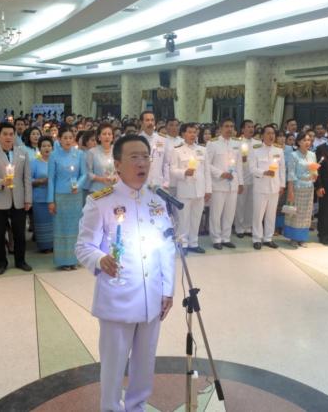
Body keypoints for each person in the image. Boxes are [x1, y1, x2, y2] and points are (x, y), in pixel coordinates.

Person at [75, 135, 175, 412]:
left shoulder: (157, 201)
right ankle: (111, 408)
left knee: (145, 362)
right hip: (117, 298)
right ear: (117, 164)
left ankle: (137, 406)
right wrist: (100, 259)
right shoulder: (101, 202)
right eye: (134, 157)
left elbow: (167, 248)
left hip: (152, 297)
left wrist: (168, 290)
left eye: (145, 157)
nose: (142, 163)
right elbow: (83, 246)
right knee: (114, 365)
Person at [0, 122, 33, 274]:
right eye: (5, 134)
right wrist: (2, 182)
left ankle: (20, 260)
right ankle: (1, 263)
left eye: (11, 134)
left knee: (19, 233)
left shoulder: (22, 153)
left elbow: (27, 178)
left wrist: (28, 199)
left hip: (18, 199)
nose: (8, 137)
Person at [47, 127, 86, 270]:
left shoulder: (79, 154)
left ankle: (75, 259)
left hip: (75, 196)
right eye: (65, 138)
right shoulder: (54, 155)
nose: (68, 140)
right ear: (59, 139)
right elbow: (51, 179)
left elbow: (84, 174)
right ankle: (63, 260)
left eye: (70, 137)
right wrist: (50, 200)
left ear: (74, 139)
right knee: (61, 228)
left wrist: (78, 185)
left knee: (76, 227)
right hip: (60, 196)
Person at [170, 123, 211, 253]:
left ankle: (194, 243)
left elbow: (207, 171)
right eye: (189, 132)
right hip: (185, 189)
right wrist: (184, 172)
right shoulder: (177, 150)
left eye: (194, 132)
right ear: (183, 134)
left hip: (199, 190)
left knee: (196, 218)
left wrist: (208, 190)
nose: (193, 135)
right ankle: (183, 244)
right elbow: (172, 170)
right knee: (183, 219)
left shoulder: (202, 150)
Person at [206, 118, 243, 249]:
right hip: (218, 184)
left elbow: (239, 165)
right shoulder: (213, 143)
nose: (229, 129)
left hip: (233, 184)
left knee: (229, 213)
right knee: (216, 214)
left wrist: (241, 182)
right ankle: (216, 239)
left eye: (231, 126)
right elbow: (207, 164)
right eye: (226, 126)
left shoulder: (237, 143)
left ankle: (226, 238)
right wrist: (220, 173)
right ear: (220, 128)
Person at [249, 125, 285, 249]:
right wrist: (264, 172)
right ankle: (256, 238)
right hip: (261, 187)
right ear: (262, 136)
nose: (271, 136)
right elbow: (252, 169)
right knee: (258, 215)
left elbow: (282, 169)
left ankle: (268, 238)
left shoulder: (279, 150)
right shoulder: (256, 150)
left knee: (271, 215)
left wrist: (282, 185)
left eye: (273, 133)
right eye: (268, 133)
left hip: (274, 187)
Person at [284, 133, 318, 247]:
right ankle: (293, 238)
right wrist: (290, 191)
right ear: (298, 142)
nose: (307, 142)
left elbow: (314, 171)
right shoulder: (293, 155)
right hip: (297, 187)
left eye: (309, 140)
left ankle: (302, 238)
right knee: (295, 214)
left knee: (306, 214)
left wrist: (315, 175)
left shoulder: (312, 155)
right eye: (304, 140)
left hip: (309, 188)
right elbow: (291, 174)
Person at [234, 120, 261, 238]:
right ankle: (239, 227)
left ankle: (248, 226)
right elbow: (236, 163)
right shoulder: (237, 142)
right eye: (248, 127)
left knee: (251, 203)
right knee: (240, 204)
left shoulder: (258, 143)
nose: (251, 129)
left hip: (255, 178)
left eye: (252, 127)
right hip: (242, 177)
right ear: (242, 129)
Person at [31, 136, 54, 253]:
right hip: (39, 198)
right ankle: (44, 246)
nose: (46, 148)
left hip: (54, 199)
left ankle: (54, 244)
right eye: (44, 146)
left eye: (49, 146)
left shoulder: (55, 162)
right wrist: (40, 181)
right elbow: (28, 179)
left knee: (53, 223)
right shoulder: (34, 163)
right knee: (42, 222)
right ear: (39, 148)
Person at [138, 111, 170, 188]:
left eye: (152, 120)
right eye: (147, 120)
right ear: (141, 122)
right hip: (141, 182)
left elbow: (166, 163)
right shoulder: (136, 140)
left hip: (159, 182)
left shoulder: (162, 139)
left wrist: (166, 181)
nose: (150, 123)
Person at [84, 123, 117, 194]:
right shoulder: (92, 152)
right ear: (99, 137)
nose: (107, 136)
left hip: (114, 189)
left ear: (112, 137)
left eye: (109, 134)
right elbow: (88, 173)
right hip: (97, 190)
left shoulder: (117, 150)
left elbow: (122, 169)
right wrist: (101, 179)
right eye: (104, 134)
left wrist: (116, 177)